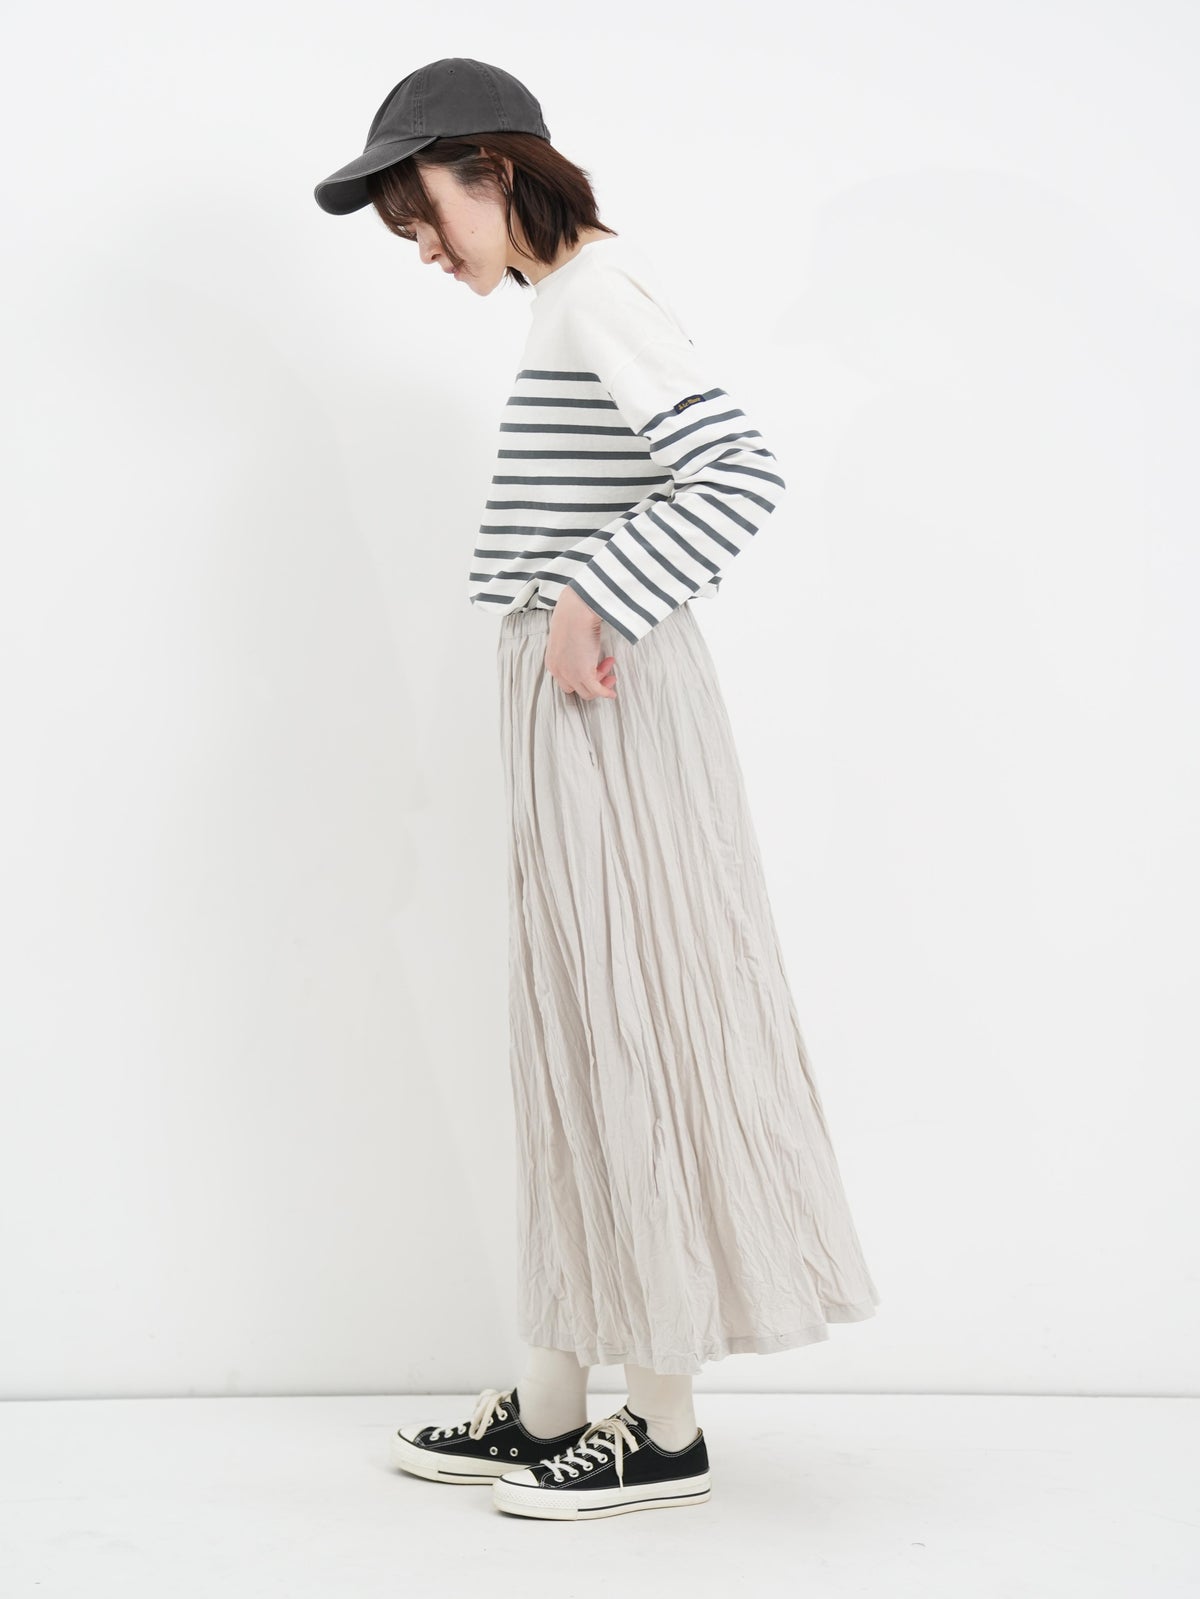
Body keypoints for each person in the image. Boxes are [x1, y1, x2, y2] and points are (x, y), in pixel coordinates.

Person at [314, 57, 880, 1523]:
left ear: (494, 171)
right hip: (572, 696)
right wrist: (574, 605)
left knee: (632, 1019)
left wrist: (596, 594)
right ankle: (558, 1395)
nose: (423, 249)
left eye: (424, 214)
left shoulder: (599, 295)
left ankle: (664, 1425)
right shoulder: (563, 305)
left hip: (609, 701)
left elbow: (737, 469)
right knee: (572, 1029)